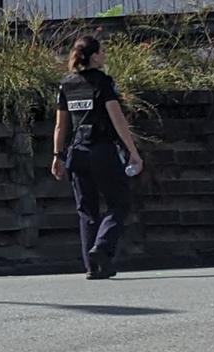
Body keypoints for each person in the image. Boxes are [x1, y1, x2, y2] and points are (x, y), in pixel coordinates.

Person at [50, 35, 143, 280]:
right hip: (101, 149)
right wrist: (132, 151)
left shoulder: (66, 84)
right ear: (93, 56)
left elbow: (61, 126)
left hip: (76, 152)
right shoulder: (102, 82)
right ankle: (102, 247)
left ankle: (93, 266)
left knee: (86, 210)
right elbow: (117, 118)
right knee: (119, 202)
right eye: (102, 52)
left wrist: (57, 155)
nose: (105, 55)